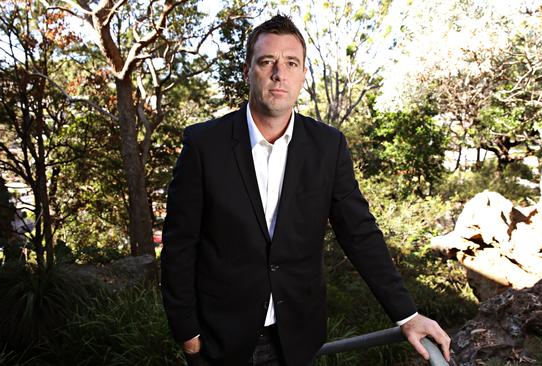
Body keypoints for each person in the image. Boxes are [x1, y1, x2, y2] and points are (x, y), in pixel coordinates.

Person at [160, 14, 451, 366]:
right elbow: (179, 243)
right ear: (247, 70)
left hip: (296, 340)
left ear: (302, 74)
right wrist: (187, 333)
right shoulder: (204, 144)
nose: (279, 73)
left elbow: (359, 233)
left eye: (291, 63)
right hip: (218, 340)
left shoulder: (328, 147)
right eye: (267, 61)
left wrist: (407, 315)